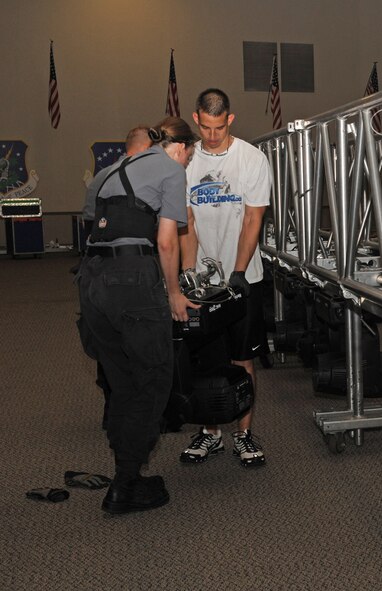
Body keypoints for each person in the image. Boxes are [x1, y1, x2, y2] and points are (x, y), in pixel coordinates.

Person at [77, 116, 199, 514]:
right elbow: (166, 242)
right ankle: (126, 484)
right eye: (189, 156)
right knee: (154, 379)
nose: (186, 162)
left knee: (122, 380)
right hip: (132, 281)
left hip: (91, 280)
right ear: (181, 148)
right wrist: (174, 294)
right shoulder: (170, 169)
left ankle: (124, 470)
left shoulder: (111, 169)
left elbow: (92, 220)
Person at [179, 88, 272, 467]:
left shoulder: (251, 159)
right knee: (202, 359)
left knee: (242, 360)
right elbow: (187, 222)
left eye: (219, 127)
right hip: (203, 278)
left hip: (242, 277)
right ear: (196, 119)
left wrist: (237, 272)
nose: (212, 136)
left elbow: (253, 219)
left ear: (229, 120)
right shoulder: (185, 160)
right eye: (206, 127)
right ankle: (210, 433)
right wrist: (188, 273)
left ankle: (244, 434)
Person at [82, 125, 154, 430]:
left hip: (98, 272)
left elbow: (90, 221)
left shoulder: (103, 176)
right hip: (135, 272)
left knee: (108, 343)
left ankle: (113, 409)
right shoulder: (148, 177)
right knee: (140, 342)